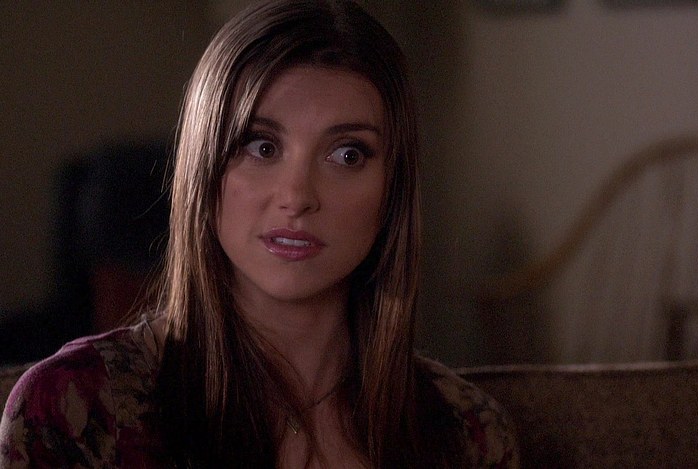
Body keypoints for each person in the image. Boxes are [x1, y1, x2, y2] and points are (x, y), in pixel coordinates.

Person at [0, 0, 518, 467]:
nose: (297, 196)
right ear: (204, 167)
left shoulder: (468, 433)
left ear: (393, 188)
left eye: (347, 154)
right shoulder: (75, 408)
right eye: (262, 146)